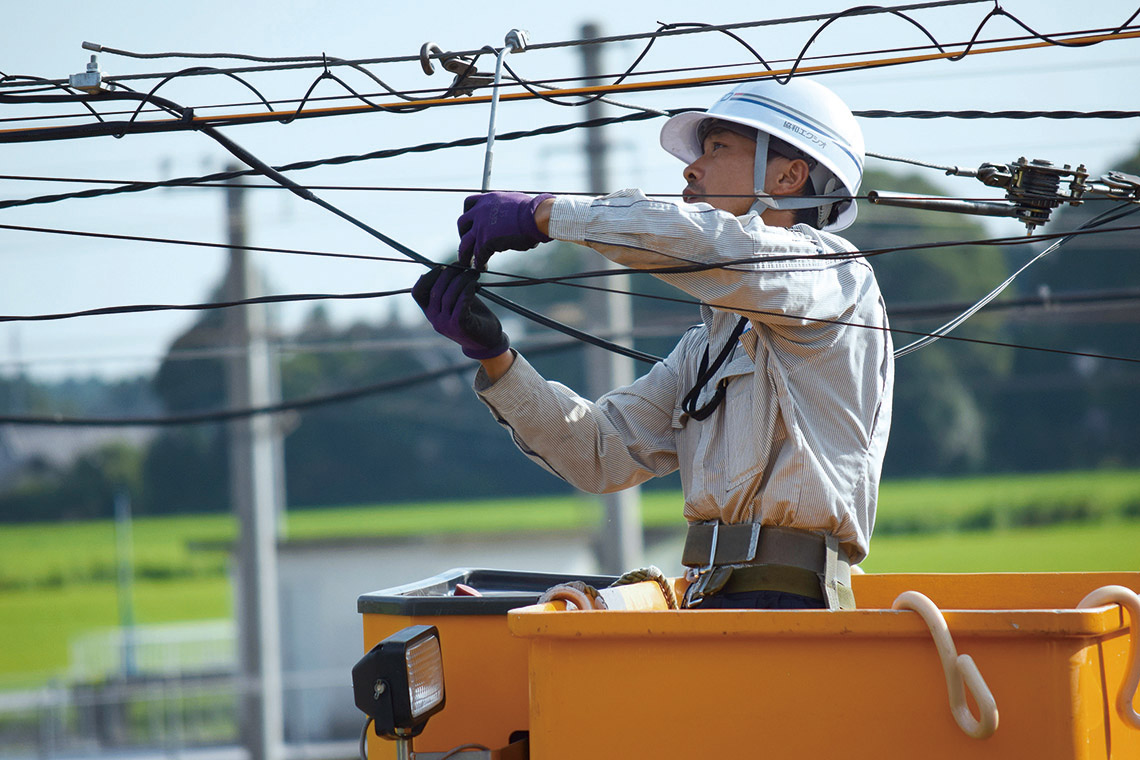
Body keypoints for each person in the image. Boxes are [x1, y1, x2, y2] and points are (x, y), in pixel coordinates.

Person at [413, 78, 894, 610]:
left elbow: (722, 247)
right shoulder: (706, 347)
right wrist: (496, 357)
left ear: (788, 175)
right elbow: (600, 452)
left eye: (718, 148)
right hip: (709, 598)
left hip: (794, 601)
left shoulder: (837, 275)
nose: (691, 169)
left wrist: (548, 213)